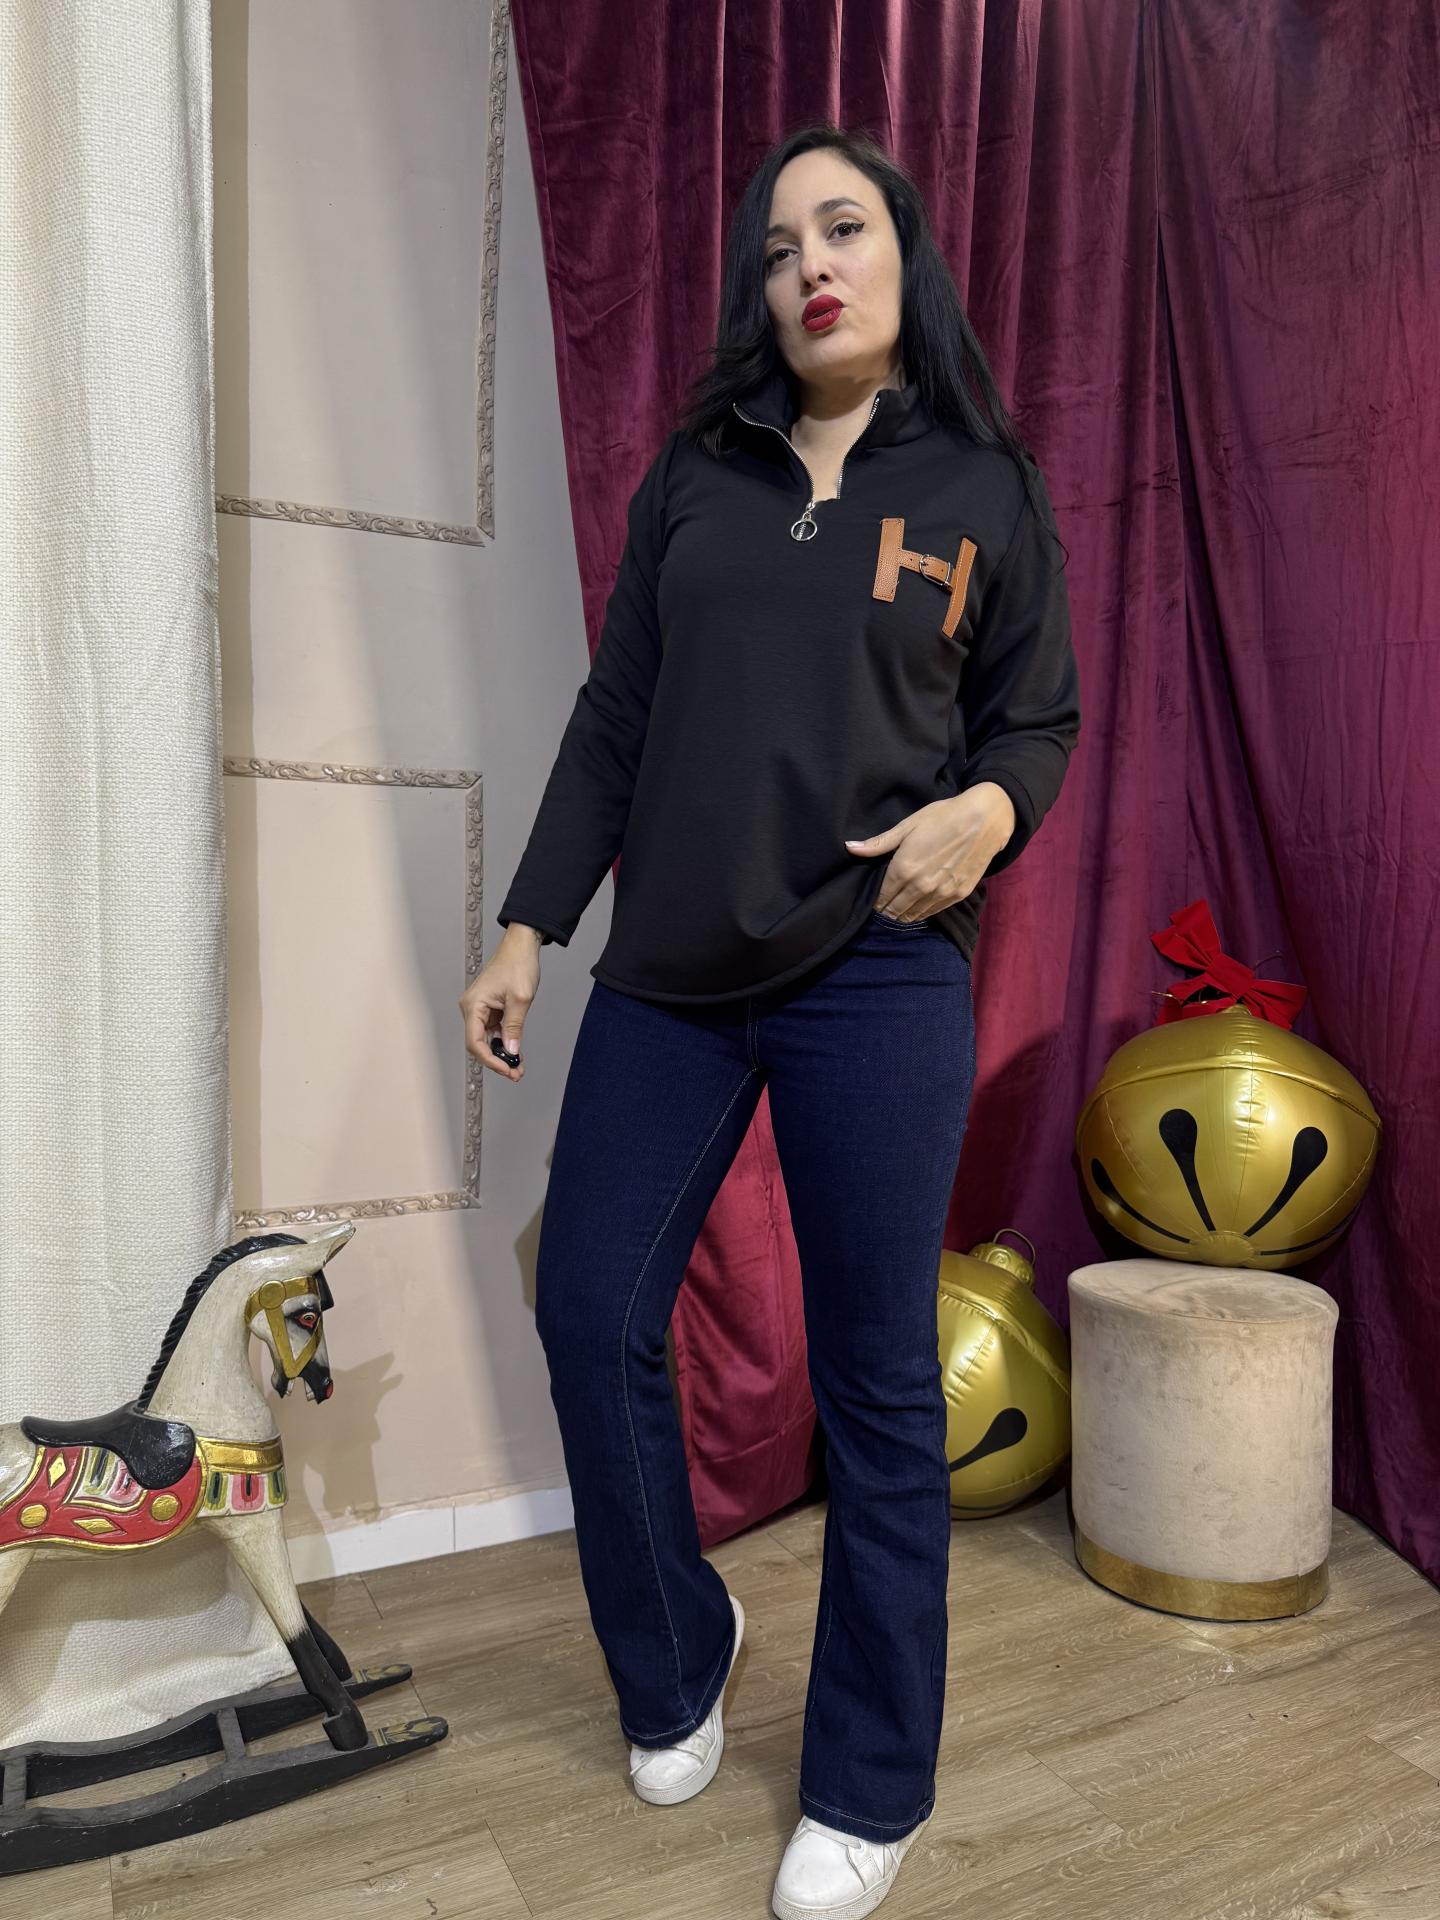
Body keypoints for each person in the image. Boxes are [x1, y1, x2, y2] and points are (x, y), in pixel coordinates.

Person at [459, 123, 1081, 1920]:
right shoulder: (697, 475)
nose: (812, 263)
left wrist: (990, 812)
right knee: (590, 1311)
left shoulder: (983, 485)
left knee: (878, 1379)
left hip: (877, 965)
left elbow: (1036, 718)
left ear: (903, 258)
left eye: (846, 227)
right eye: (781, 243)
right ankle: (680, 1645)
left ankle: (872, 1782)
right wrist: (526, 925)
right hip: (670, 973)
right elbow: (617, 717)